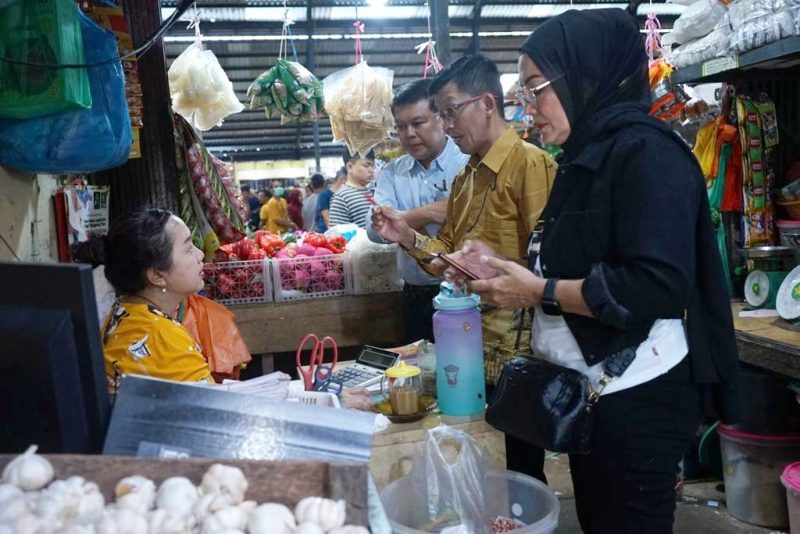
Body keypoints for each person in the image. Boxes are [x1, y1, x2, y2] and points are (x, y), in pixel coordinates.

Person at [450, 10, 739, 532]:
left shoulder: (648, 153)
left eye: (537, 89)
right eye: (524, 93)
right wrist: (501, 270)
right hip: (592, 389)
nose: (528, 108)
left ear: (587, 74)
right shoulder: (584, 157)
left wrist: (539, 292)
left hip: (638, 395)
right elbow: (572, 263)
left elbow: (656, 284)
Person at [371, 54, 557, 482]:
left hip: (517, 354)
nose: (447, 124)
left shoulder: (531, 165)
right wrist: (408, 237)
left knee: (521, 469)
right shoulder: (467, 177)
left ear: (487, 103)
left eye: (450, 111)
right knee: (481, 462)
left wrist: (493, 264)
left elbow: (548, 267)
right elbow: (448, 256)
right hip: (469, 347)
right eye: (442, 114)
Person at [366, 78, 468, 343]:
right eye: (401, 126)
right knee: (419, 371)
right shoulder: (392, 172)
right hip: (414, 295)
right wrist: (429, 213)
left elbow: (465, 222)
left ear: (440, 119)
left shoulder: (466, 163)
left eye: (418, 123)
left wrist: (400, 221)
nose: (409, 133)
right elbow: (375, 230)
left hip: (461, 293)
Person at [89, 209, 214, 393]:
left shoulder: (124, 309)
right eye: (188, 249)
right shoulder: (161, 337)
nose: (200, 255)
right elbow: (212, 410)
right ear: (156, 275)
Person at [329, 149, 376, 229]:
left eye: (373, 166)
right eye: (366, 165)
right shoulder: (341, 197)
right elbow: (338, 236)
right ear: (350, 167)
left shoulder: (370, 192)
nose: (372, 170)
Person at [315, 167, 347, 233]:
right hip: (325, 235)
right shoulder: (324, 195)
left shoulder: (344, 194)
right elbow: (328, 220)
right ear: (343, 179)